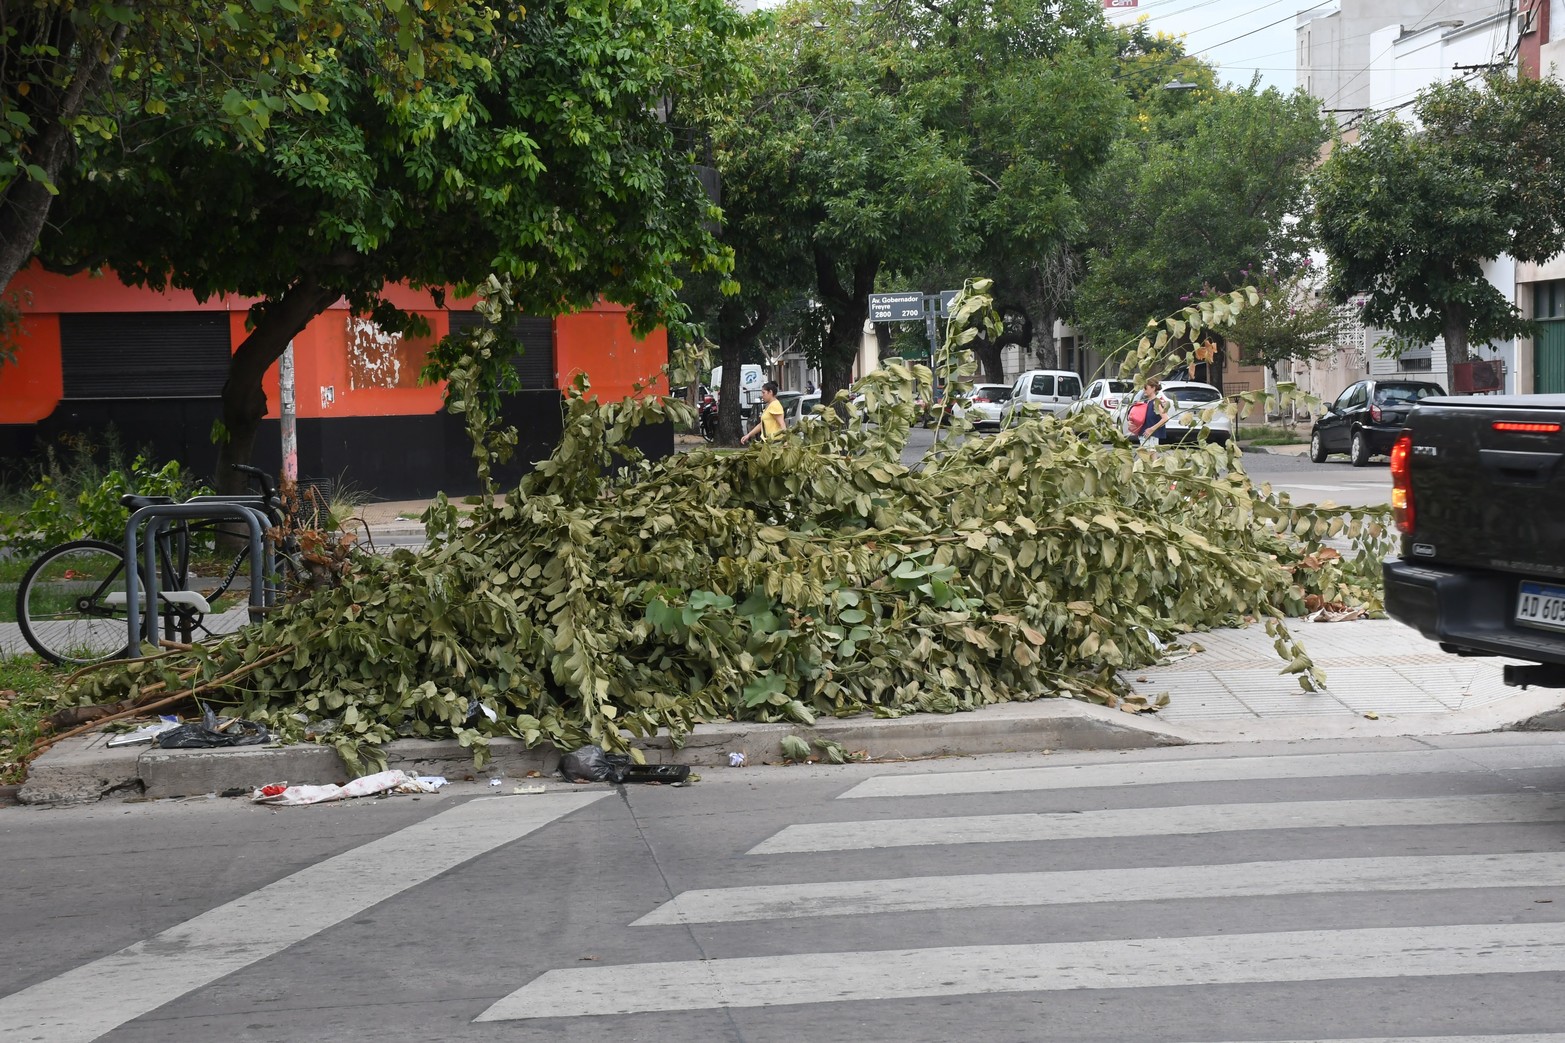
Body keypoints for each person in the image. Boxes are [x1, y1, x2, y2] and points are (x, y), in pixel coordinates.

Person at [1137, 377, 1175, 446]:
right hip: (1145, 435)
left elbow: (1165, 418)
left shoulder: (1156, 402)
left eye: (1146, 388)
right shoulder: (1146, 402)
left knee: (1149, 455)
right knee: (1149, 456)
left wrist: (1152, 429)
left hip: (1151, 436)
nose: (1144, 390)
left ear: (1153, 388)